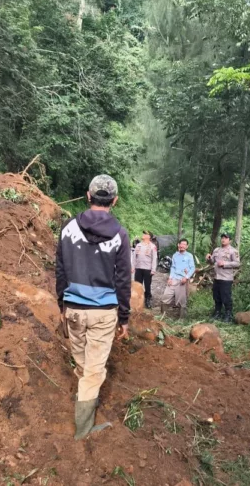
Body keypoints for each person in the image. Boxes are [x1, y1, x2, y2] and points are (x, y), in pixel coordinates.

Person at [55, 174, 132, 440]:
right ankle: (84, 428)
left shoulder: (67, 228)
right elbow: (123, 280)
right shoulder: (120, 234)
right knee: (94, 368)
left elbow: (61, 269)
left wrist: (61, 304)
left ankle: (85, 395)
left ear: (89, 196)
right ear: (115, 200)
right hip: (103, 312)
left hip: (74, 307)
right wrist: (124, 317)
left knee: (82, 360)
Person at [206, 233, 241, 323]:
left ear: (230, 240)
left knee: (226, 297)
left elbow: (237, 263)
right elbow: (212, 262)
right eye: (222, 238)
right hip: (217, 277)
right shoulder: (217, 250)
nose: (223, 239)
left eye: (225, 238)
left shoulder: (233, 251)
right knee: (216, 296)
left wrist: (225, 264)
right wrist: (209, 258)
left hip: (226, 278)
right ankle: (217, 312)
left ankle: (228, 314)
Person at [161, 238, 195, 319]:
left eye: (184, 244)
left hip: (182, 280)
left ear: (187, 246)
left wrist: (186, 277)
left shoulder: (189, 256)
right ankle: (162, 317)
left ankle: (181, 319)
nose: (182, 246)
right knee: (165, 297)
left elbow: (192, 268)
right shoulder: (175, 255)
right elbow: (173, 267)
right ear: (178, 245)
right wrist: (170, 278)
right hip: (174, 279)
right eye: (181, 244)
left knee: (181, 301)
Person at [132, 231, 158, 309]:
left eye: (145, 234)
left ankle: (147, 300)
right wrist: (133, 267)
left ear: (149, 237)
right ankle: (137, 301)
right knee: (137, 285)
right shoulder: (138, 245)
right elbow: (134, 257)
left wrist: (153, 269)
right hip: (138, 268)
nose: (143, 235)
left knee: (147, 285)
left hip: (147, 269)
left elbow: (154, 259)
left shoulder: (153, 246)